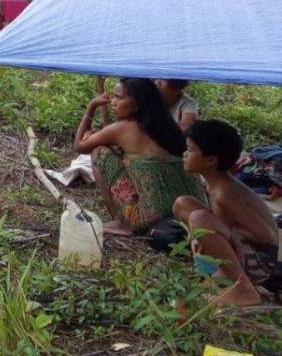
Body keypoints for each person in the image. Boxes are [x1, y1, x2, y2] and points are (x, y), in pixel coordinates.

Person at [74, 77, 204, 236]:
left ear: (137, 103)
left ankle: (121, 223)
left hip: (151, 215)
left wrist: (92, 106)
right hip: (194, 209)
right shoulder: (166, 123)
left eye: (119, 98)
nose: (113, 102)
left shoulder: (123, 129)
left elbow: (79, 146)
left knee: (99, 151)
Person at [173, 120, 279, 307]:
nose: (185, 154)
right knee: (183, 204)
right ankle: (210, 272)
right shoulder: (213, 184)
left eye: (190, 150)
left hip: (261, 263)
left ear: (211, 160)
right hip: (240, 249)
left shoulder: (225, 193)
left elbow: (267, 236)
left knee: (199, 219)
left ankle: (245, 291)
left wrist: (224, 231)